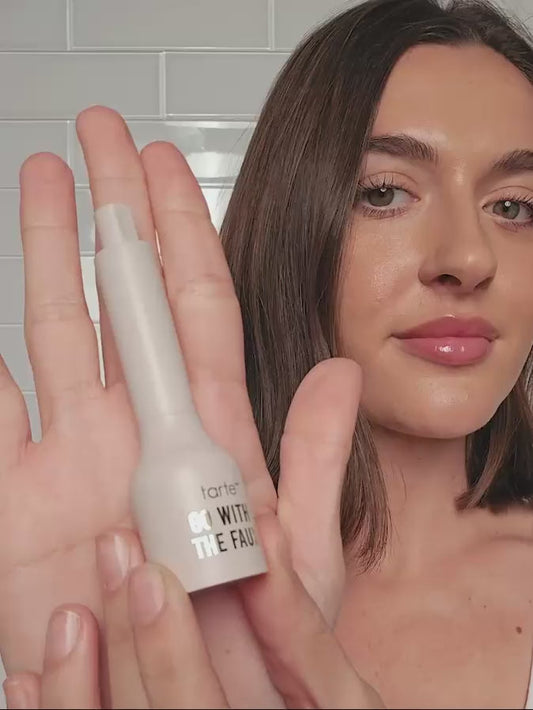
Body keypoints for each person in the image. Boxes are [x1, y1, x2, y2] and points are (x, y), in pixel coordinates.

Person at [1, 0, 533, 706]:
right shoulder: (127, 586)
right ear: (291, 225)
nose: (467, 259)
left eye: (514, 206)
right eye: (383, 193)